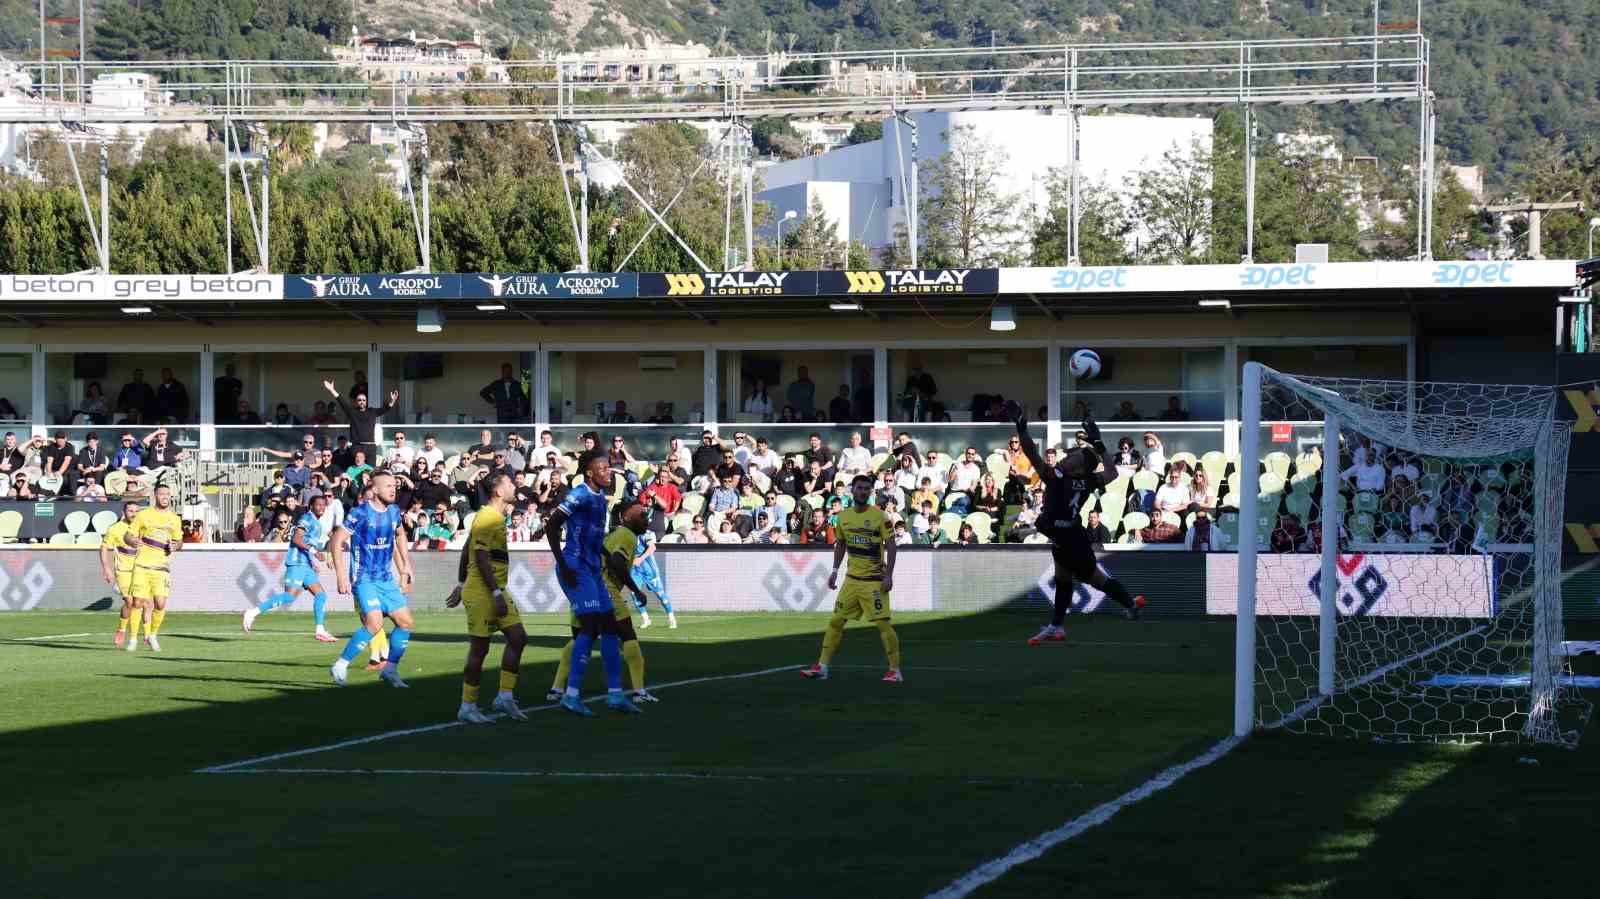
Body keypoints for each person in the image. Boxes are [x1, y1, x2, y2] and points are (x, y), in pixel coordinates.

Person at [1014, 409, 1145, 646]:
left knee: (1093, 579)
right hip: (1071, 534)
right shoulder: (1086, 480)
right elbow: (1113, 472)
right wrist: (1098, 442)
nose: (1065, 458)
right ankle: (1057, 626)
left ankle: (1130, 604)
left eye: (1071, 456)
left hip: (1067, 536)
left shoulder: (1057, 477)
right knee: (1064, 577)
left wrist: (1022, 427)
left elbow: (1031, 452)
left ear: (1078, 464)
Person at [543, 451, 640, 716]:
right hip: (576, 567)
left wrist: (608, 559)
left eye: (609, 467)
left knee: (610, 628)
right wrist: (563, 563)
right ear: (590, 473)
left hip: (594, 569)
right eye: (603, 468)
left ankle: (615, 694)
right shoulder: (579, 494)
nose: (609, 472)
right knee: (591, 625)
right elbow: (552, 526)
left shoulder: (600, 498)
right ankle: (570, 694)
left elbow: (596, 541)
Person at [443, 472, 531, 723]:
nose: (514, 485)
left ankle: (504, 696)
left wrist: (461, 583)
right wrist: (492, 592)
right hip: (484, 591)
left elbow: (466, 549)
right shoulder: (487, 517)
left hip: (495, 588)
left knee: (519, 638)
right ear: (499, 492)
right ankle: (467, 706)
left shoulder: (495, 518)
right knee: (479, 649)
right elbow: (479, 556)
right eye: (509, 483)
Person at [800, 475, 903, 682]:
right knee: (836, 621)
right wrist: (835, 570)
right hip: (851, 580)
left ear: (871, 492)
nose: (863, 491)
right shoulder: (843, 517)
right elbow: (841, 545)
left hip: (874, 581)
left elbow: (891, 546)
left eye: (867, 488)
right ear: (852, 491)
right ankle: (822, 667)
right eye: (859, 488)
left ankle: (895, 670)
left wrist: (889, 575)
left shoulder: (881, 517)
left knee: (883, 624)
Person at [327, 472, 415, 688]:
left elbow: (400, 535)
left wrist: (406, 567)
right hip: (364, 578)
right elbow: (337, 540)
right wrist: (340, 575)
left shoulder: (394, 511)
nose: (393, 489)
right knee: (374, 624)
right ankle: (340, 664)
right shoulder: (360, 513)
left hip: (385, 578)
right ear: (374, 489)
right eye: (388, 486)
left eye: (395, 485)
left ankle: (390, 670)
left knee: (405, 622)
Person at [243, 493, 336, 643]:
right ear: (311, 506)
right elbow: (297, 539)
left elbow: (307, 543)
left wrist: (312, 561)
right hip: (297, 563)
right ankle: (252, 612)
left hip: (306, 564)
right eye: (318, 504)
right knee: (288, 597)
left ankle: (320, 630)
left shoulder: (317, 524)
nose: (321, 507)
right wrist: (314, 552)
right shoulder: (306, 519)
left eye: (323, 505)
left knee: (321, 595)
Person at [124, 484, 183, 653]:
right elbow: (128, 535)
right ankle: (134, 638)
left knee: (160, 603)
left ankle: (153, 635)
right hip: (142, 565)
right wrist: (132, 541)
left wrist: (176, 546)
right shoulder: (143, 515)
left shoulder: (175, 519)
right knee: (137, 602)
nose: (165, 497)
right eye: (162, 494)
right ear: (155, 496)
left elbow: (180, 542)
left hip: (161, 567)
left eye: (167, 494)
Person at [321, 379, 397, 468]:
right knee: (355, 470)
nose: (362, 401)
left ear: (366, 401)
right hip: (357, 446)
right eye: (359, 400)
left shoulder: (372, 411)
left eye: (364, 400)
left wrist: (393, 400)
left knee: (371, 471)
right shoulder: (352, 412)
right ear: (357, 402)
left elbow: (386, 408)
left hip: (370, 446)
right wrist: (332, 390)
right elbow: (342, 402)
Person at [103, 501, 140, 648]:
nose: (134, 514)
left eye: (136, 511)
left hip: (142, 570)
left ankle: (148, 635)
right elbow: (104, 548)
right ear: (124, 512)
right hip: (124, 571)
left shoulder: (143, 527)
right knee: (130, 602)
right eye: (130, 511)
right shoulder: (115, 529)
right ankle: (122, 630)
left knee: (143, 603)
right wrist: (106, 568)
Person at [630, 526, 677, 629]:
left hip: (649, 570)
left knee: (660, 594)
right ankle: (646, 619)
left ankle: (671, 617)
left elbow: (652, 547)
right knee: (634, 593)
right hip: (635, 570)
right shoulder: (627, 534)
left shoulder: (644, 534)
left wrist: (640, 559)